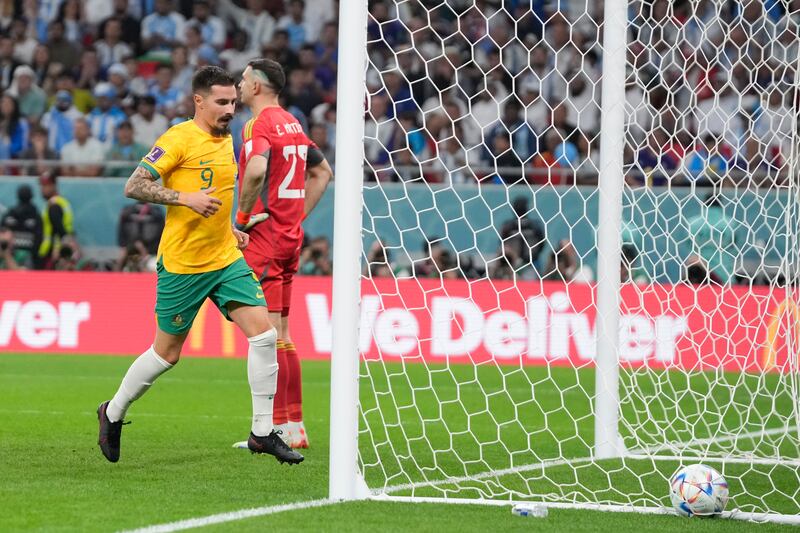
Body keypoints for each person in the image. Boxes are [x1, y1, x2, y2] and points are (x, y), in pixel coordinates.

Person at [97, 66, 303, 465]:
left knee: (263, 336)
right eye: (221, 102)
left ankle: (262, 432)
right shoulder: (179, 138)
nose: (230, 109)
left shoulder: (228, 140)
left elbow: (220, 196)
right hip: (183, 265)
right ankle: (114, 411)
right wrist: (184, 197)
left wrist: (229, 229)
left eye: (233, 102)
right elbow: (134, 185)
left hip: (225, 258)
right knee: (166, 355)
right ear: (199, 100)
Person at [235, 59, 333, 448]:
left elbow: (256, 170)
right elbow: (323, 172)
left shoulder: (259, 125)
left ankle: (271, 429)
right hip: (289, 236)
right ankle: (291, 427)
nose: (239, 86)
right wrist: (294, 216)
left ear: (257, 86)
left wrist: (243, 219)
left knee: (259, 330)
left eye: (243, 80)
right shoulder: (294, 123)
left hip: (265, 238)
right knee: (281, 332)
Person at [1, 184, 42, 269]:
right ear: (31, 196)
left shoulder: (10, 214)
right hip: (24, 254)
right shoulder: (36, 215)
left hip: (24, 256)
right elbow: (39, 237)